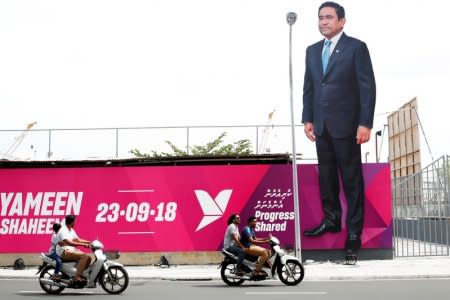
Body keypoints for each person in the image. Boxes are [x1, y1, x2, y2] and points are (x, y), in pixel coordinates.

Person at [301, 1, 376, 255]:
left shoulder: (356, 48)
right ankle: (331, 220)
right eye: (320, 17)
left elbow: (367, 88)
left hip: (348, 126)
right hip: (321, 126)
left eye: (329, 17)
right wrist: (307, 118)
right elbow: (309, 86)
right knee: (327, 177)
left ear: (342, 21)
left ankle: (354, 233)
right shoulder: (311, 51)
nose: (324, 21)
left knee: (352, 181)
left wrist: (365, 123)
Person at [56, 215, 92, 283]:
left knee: (89, 258)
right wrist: (84, 245)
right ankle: (76, 276)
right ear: (72, 222)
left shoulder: (71, 230)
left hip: (70, 250)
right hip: (64, 251)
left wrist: (90, 242)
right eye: (74, 222)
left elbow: (77, 240)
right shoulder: (63, 230)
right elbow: (69, 242)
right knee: (85, 256)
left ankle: (80, 273)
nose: (75, 223)